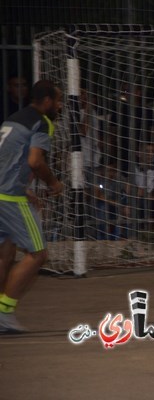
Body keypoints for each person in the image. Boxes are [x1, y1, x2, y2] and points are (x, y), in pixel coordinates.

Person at [0, 80, 64, 333]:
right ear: (46, 101)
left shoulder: (12, 119)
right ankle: (4, 313)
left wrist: (25, 191)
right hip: (9, 199)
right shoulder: (41, 122)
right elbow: (35, 162)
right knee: (38, 254)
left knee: (5, 253)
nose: (59, 106)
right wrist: (53, 183)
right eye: (58, 100)